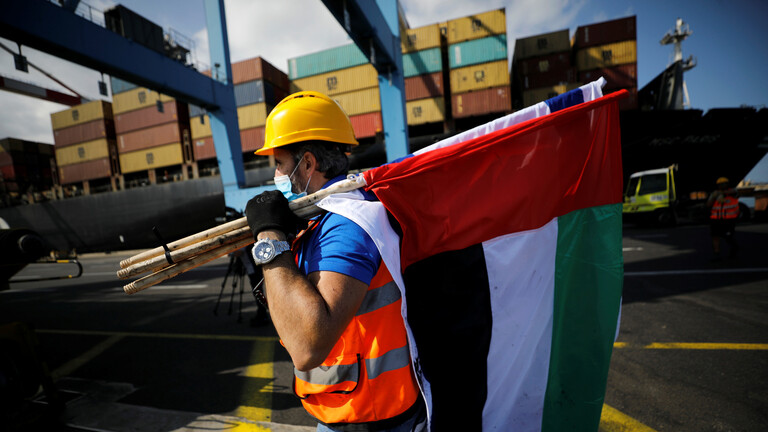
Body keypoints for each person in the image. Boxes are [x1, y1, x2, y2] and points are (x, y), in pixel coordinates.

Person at [244, 91, 426, 431]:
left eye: (279, 163)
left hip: (369, 417)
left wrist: (269, 237)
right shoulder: (329, 216)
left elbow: (308, 347)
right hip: (348, 408)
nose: (276, 174)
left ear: (307, 163)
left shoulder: (346, 224)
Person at [707, 177, 740, 261]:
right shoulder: (715, 194)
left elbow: (734, 192)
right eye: (720, 184)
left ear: (728, 184)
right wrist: (714, 197)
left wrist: (720, 193)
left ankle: (734, 248)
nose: (722, 185)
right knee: (715, 236)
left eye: (724, 184)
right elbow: (709, 204)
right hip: (716, 219)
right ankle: (716, 253)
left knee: (728, 236)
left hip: (729, 219)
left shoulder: (733, 192)